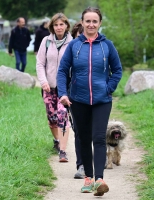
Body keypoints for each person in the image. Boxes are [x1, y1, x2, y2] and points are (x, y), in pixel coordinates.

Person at [57, 7, 122, 196]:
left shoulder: (107, 45)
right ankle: (88, 178)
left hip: (102, 100)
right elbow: (63, 71)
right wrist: (63, 93)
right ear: (82, 23)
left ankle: (99, 180)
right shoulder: (74, 46)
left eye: (95, 21)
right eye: (88, 21)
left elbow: (117, 70)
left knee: (99, 138)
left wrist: (108, 88)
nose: (91, 24)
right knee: (83, 138)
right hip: (78, 99)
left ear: (100, 23)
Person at [36, 13, 73, 162]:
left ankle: (63, 151)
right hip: (48, 87)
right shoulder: (46, 41)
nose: (59, 27)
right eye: (56, 25)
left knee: (62, 115)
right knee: (52, 118)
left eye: (62, 24)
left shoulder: (73, 43)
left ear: (66, 26)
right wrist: (43, 81)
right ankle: (57, 141)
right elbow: (40, 63)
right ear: (52, 26)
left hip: (65, 88)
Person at [70, 22, 85, 179]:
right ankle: (81, 165)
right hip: (74, 97)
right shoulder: (70, 51)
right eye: (78, 35)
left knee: (94, 132)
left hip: (96, 97)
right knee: (79, 132)